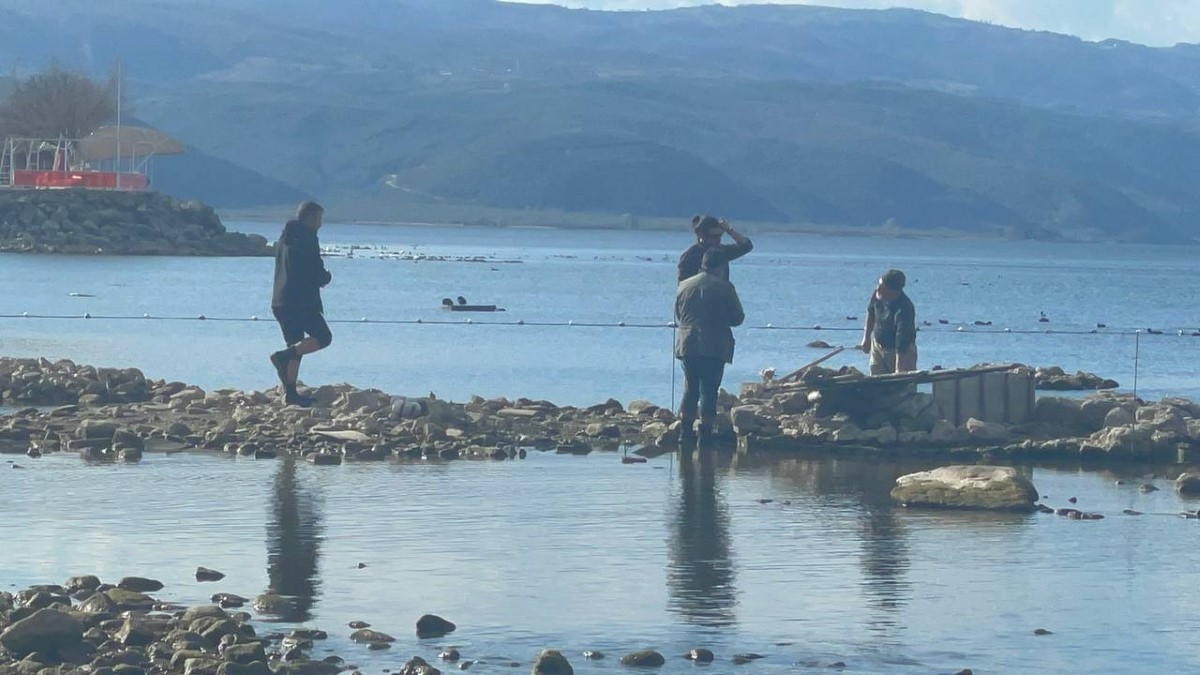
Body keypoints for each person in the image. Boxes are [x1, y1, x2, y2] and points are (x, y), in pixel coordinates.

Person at [675, 249, 746, 442]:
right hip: (714, 345)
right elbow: (738, 318)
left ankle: (685, 432)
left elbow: (679, 315)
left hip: (687, 343)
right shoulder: (725, 287)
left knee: (690, 388)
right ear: (721, 267)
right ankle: (704, 435)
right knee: (709, 389)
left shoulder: (683, 285)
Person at [269, 201, 333, 406]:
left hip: (280, 301)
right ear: (308, 218)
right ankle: (282, 357)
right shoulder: (307, 239)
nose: (320, 224)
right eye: (319, 219)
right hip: (301, 302)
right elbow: (314, 271)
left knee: (296, 345)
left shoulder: (283, 239)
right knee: (323, 337)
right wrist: (326, 277)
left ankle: (291, 394)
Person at [859, 269, 917, 375]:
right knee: (876, 380)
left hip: (899, 351)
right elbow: (871, 312)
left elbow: (902, 338)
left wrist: (899, 366)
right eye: (879, 284)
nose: (878, 288)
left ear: (893, 290)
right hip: (877, 346)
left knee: (902, 384)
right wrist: (866, 338)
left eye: (883, 287)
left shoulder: (904, 307)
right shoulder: (877, 294)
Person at [677, 215, 753, 282]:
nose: (718, 239)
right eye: (714, 236)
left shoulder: (722, 251)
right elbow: (682, 286)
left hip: (720, 295)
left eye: (720, 235)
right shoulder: (689, 256)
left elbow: (746, 246)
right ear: (702, 236)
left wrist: (729, 230)